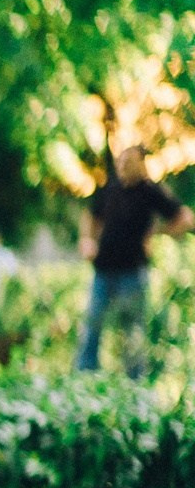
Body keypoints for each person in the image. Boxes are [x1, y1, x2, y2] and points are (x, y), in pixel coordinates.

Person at [76, 143, 192, 378]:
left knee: (132, 331)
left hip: (132, 272)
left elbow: (185, 218)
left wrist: (158, 235)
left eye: (128, 162)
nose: (122, 166)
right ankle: (84, 377)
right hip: (103, 269)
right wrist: (87, 240)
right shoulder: (110, 188)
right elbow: (90, 215)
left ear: (140, 163)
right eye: (120, 161)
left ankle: (134, 382)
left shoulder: (151, 192)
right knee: (93, 324)